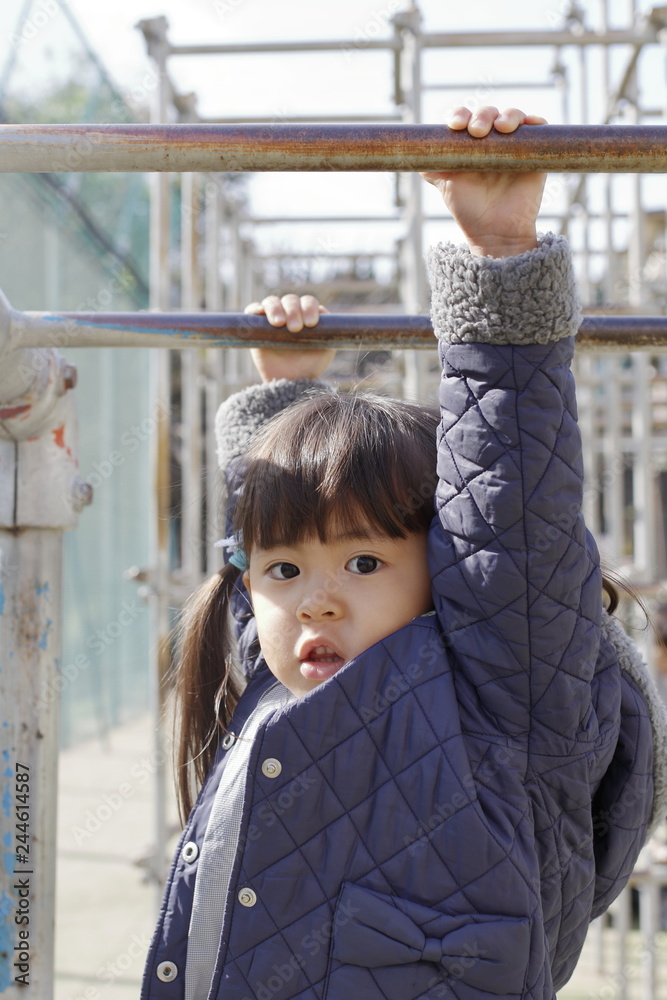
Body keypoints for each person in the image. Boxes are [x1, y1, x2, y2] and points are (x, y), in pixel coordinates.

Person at [141, 108, 667, 1000]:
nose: (315, 601)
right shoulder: (283, 686)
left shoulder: (502, 691)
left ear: (447, 570)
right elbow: (258, 578)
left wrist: (498, 250)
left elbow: (510, 510)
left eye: (364, 564)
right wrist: (284, 407)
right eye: (286, 572)